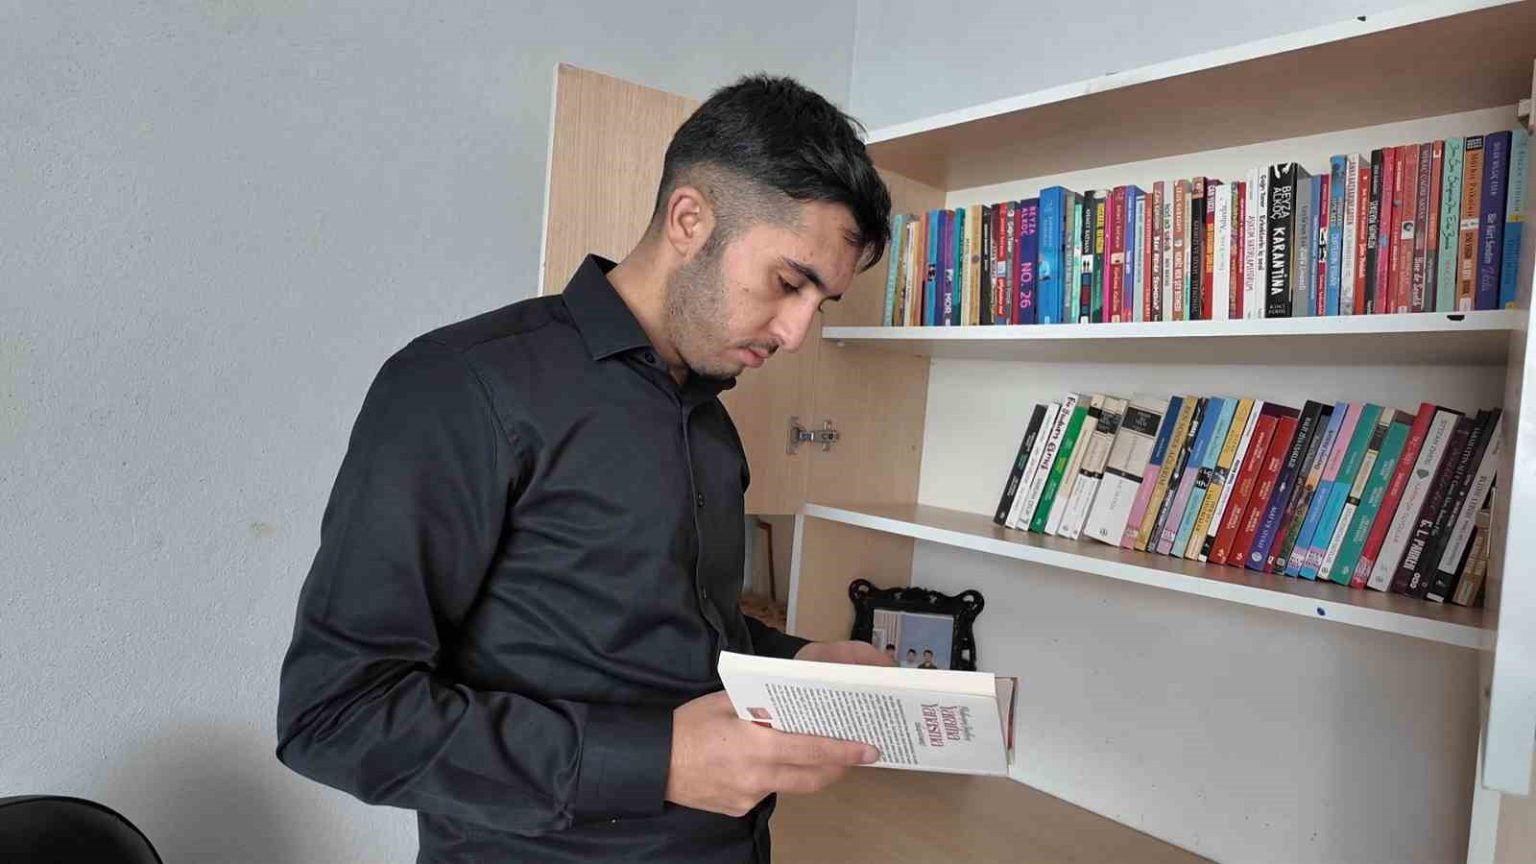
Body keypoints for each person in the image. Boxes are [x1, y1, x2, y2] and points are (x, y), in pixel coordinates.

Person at [274, 73, 894, 864]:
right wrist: (658, 761)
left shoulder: (711, 422)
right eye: (788, 283)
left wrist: (800, 663)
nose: (797, 333)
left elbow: (680, 635)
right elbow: (335, 716)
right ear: (690, 219)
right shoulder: (462, 385)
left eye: (820, 303)